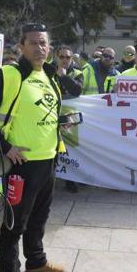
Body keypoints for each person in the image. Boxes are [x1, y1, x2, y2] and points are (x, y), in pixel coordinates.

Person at [0, 23, 67, 272]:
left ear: (49, 47)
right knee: (14, 224)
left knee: (39, 217)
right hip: (21, 164)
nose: (39, 48)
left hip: (48, 159)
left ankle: (36, 261)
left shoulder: (50, 76)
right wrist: (4, 146)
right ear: (21, 46)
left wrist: (60, 124)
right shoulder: (9, 74)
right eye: (33, 43)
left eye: (43, 43)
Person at [54, 45, 83, 193]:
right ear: (56, 57)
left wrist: (63, 77)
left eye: (68, 57)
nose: (65, 60)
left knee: (69, 149)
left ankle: (70, 180)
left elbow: (77, 91)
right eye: (62, 57)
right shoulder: (48, 71)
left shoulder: (77, 73)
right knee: (53, 147)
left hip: (70, 117)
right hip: (52, 115)